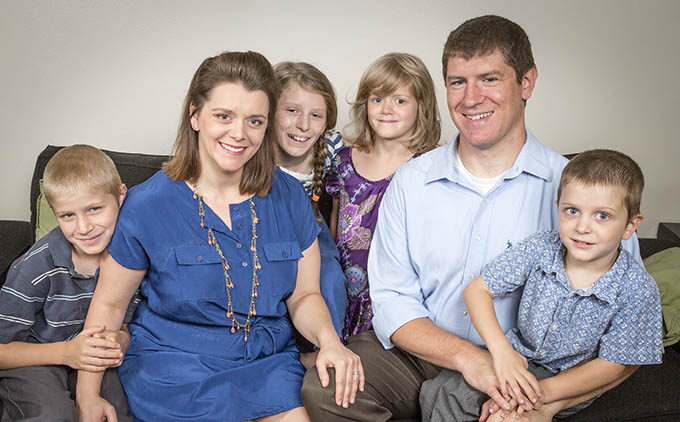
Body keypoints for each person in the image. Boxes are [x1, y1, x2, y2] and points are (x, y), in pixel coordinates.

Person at [301, 15, 641, 422]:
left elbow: (629, 327)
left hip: (525, 367)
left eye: (489, 79)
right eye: (458, 82)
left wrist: (547, 402)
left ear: (527, 82)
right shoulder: (412, 180)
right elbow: (392, 299)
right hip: (421, 353)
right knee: (326, 391)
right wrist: (469, 360)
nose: (470, 98)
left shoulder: (579, 194)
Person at [76, 51, 363, 422]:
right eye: (223, 116)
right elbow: (110, 307)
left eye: (254, 121)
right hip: (176, 371)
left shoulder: (290, 197)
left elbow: (305, 294)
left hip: (267, 366)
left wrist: (330, 343)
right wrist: (87, 395)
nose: (239, 134)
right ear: (195, 115)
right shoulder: (147, 204)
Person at [420, 149, 663, 421]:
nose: (583, 227)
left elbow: (615, 364)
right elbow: (478, 290)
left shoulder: (637, 288)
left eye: (602, 216)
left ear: (630, 226)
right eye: (572, 211)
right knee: (443, 391)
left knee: (508, 417)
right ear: (558, 207)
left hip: (571, 378)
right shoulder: (541, 247)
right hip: (518, 356)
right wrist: (501, 353)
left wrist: (537, 394)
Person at [0, 145, 134, 421]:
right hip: (35, 358)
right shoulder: (34, 269)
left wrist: (122, 338)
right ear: (54, 212)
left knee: (115, 411)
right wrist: (66, 353)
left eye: (95, 209)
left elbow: (127, 321)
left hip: (92, 361)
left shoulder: (131, 256)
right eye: (68, 215)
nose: (84, 227)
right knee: (53, 415)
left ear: (120, 196)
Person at [325, 52, 440, 341]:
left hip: (399, 300)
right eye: (377, 99)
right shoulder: (343, 162)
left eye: (399, 100)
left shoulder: (430, 167)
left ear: (421, 107)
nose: (386, 109)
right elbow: (333, 229)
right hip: (344, 295)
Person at [272, 61, 347, 366]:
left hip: (314, 236)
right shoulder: (254, 149)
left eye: (316, 115)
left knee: (328, 275)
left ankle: (327, 352)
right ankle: (280, 354)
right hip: (269, 235)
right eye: (292, 111)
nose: (304, 125)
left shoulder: (330, 149)